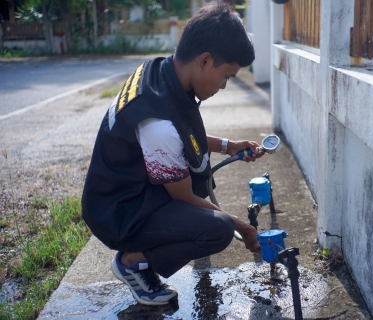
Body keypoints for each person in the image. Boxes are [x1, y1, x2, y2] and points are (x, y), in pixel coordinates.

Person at [81, 1, 263, 306]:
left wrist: (227, 146)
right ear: (205, 61)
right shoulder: (158, 122)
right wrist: (242, 227)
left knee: (200, 194)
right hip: (118, 213)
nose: (224, 86)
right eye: (226, 76)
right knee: (217, 229)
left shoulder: (161, 72)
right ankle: (132, 262)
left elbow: (179, 136)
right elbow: (181, 192)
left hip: (122, 191)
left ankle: (139, 254)